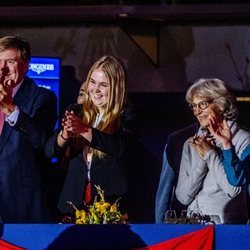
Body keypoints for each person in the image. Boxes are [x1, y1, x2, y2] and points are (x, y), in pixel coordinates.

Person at [45, 55, 135, 220]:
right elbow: (50, 151)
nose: (95, 90)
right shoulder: (77, 110)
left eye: (103, 85)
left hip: (110, 205)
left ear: (116, 88)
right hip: (73, 205)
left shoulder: (127, 114)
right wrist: (65, 135)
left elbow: (120, 148)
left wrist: (84, 129)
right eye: (92, 82)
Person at [175, 78, 250, 224]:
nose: (197, 111)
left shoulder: (244, 140)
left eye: (202, 104)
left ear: (220, 105)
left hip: (225, 228)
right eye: (193, 106)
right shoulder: (192, 144)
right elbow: (183, 197)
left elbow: (234, 190)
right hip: (192, 226)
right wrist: (202, 162)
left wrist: (210, 155)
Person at [0, 35, 58, 223]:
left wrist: (9, 107)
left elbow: (40, 140)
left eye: (9, 61)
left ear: (25, 66)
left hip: (20, 206)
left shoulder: (42, 98)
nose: (2, 68)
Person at [155, 122, 198, 223]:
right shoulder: (178, 139)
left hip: (228, 221)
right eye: (194, 106)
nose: (198, 111)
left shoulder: (238, 137)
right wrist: (160, 223)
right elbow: (166, 185)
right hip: (186, 219)